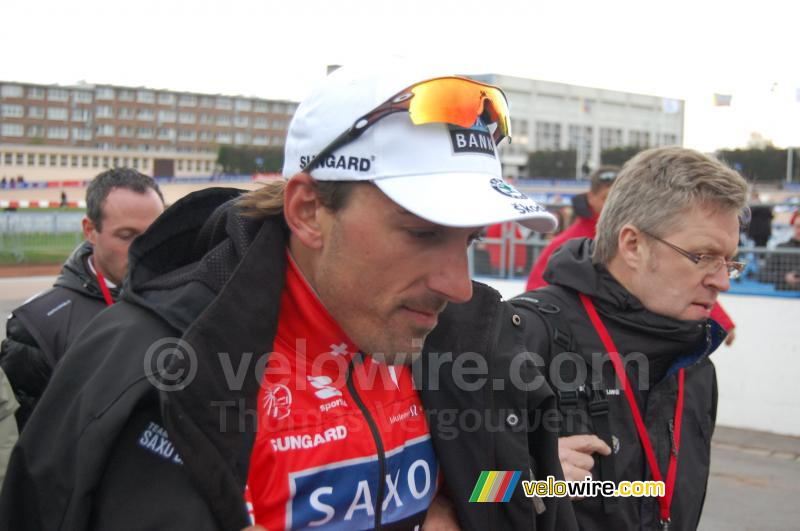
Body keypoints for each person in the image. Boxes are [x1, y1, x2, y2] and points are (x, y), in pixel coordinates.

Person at [0, 64, 576, 531]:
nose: (459, 285)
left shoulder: (468, 338)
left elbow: (504, 483)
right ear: (308, 211)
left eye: (470, 241)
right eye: (422, 233)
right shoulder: (150, 366)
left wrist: (474, 502)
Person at [512, 147, 749, 530]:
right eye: (704, 256)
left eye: (730, 262)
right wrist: (529, 482)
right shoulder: (524, 336)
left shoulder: (696, 364)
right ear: (633, 245)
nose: (723, 282)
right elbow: (457, 493)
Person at [0, 168, 164, 430]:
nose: (143, 249)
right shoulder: (38, 325)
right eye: (126, 236)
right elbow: (25, 440)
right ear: (90, 230)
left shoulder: (185, 301)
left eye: (153, 235)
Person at [526, 164, 739, 344]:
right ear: (591, 198)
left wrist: (721, 321)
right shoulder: (565, 243)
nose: (610, 204)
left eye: (614, 197)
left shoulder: (650, 235)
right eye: (605, 197)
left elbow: (682, 281)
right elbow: (540, 294)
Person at [759, 210, 800, 290]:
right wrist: (785, 277)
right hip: (784, 293)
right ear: (793, 226)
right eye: (798, 226)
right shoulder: (781, 248)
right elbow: (762, 274)